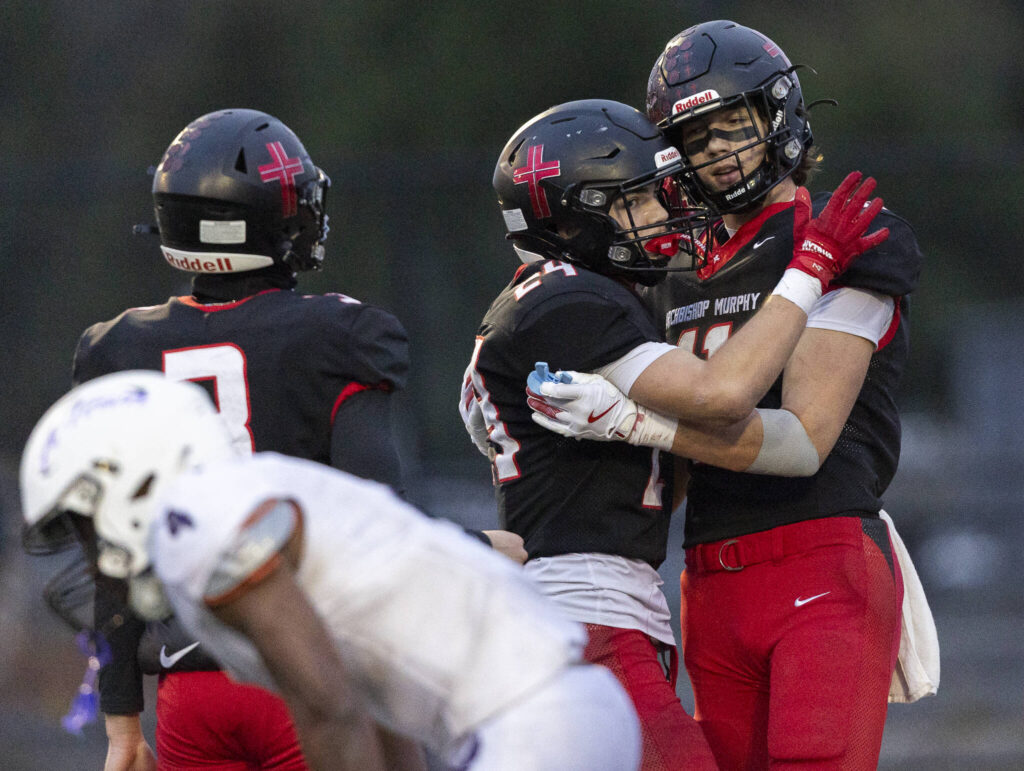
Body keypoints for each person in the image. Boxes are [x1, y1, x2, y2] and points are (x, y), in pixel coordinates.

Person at [526, 20, 932, 770]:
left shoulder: (839, 234)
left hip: (818, 555)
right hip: (708, 577)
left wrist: (632, 423)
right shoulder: (674, 267)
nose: (714, 151)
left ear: (777, 115)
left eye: (730, 125)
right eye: (692, 137)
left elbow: (803, 440)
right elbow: (662, 477)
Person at [66, 108, 523, 770]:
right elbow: (377, 511)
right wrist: (477, 546)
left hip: (189, 690)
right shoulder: (337, 334)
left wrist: (121, 723)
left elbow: (115, 556)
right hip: (304, 669)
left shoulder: (120, 348)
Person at [458, 98, 887, 769]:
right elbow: (724, 396)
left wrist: (630, 426)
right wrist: (811, 266)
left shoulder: (526, 304)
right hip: (594, 613)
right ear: (578, 215)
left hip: (591, 610)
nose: (663, 214)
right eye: (638, 201)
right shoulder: (575, 300)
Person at [19, 371, 642, 771]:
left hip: (529, 724)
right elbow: (369, 708)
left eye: (83, 517)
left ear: (135, 478)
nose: (89, 544)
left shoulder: (200, 523)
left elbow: (329, 707)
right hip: (544, 715)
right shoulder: (235, 501)